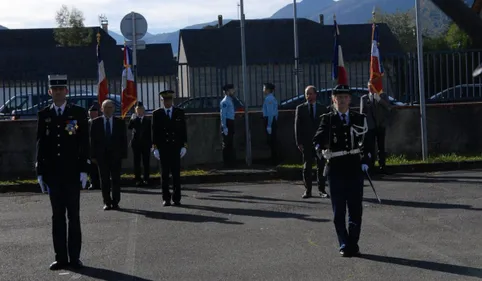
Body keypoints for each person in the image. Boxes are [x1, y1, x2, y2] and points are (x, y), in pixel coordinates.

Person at [35, 74, 89, 270]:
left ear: (66, 91)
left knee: (73, 216)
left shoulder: (78, 113)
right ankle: (61, 257)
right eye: (54, 90)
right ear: (50, 92)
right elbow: (40, 143)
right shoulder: (44, 115)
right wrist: (40, 171)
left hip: (72, 173)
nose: (58, 92)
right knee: (57, 217)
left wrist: (84, 169)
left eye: (61, 89)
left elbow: (84, 143)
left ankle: (75, 257)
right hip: (53, 174)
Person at [312, 84, 370, 257]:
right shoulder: (328, 119)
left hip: (354, 168)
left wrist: (366, 160)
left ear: (350, 100)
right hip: (336, 169)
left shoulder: (359, 118)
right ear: (333, 99)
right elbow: (317, 140)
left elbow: (367, 142)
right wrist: (321, 151)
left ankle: (353, 242)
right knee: (339, 211)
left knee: (355, 209)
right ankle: (343, 243)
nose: (342, 100)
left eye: (345, 97)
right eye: (339, 97)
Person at [151, 90, 188, 206]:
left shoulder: (179, 112)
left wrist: (184, 146)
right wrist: (155, 147)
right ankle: (166, 198)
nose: (167, 102)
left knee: (176, 174)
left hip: (176, 147)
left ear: (172, 100)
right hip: (163, 148)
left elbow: (183, 130)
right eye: (165, 100)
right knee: (165, 175)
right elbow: (154, 132)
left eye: (169, 100)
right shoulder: (157, 114)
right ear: (162, 101)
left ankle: (177, 198)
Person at [90, 99, 128, 211]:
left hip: (116, 156)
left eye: (110, 107)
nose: (108, 110)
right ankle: (107, 202)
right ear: (101, 109)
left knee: (116, 179)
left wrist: (123, 154)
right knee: (104, 180)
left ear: (114, 109)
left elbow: (123, 140)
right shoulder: (95, 122)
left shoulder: (119, 122)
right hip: (101, 157)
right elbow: (92, 141)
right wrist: (92, 156)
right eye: (105, 107)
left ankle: (115, 202)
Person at [294, 85, 329, 199]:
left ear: (315, 94)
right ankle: (308, 190)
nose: (308, 96)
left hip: (320, 143)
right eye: (306, 94)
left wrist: (326, 142)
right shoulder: (301, 108)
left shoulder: (322, 108)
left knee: (321, 166)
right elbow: (297, 127)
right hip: (307, 142)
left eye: (310, 93)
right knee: (307, 167)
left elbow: (326, 127)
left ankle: (322, 189)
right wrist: (299, 142)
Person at [360, 82, 392, 173]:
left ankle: (382, 165)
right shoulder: (364, 98)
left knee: (381, 146)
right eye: (370, 87)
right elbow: (362, 113)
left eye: (373, 86)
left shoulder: (383, 96)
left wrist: (379, 100)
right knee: (370, 147)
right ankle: (371, 165)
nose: (372, 89)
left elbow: (388, 108)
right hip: (370, 126)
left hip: (380, 125)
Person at [128, 101, 152, 186]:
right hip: (136, 144)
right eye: (137, 109)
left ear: (143, 110)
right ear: (135, 110)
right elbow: (129, 127)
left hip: (145, 144)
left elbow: (149, 133)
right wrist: (131, 119)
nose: (139, 111)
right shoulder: (134, 119)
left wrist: (151, 144)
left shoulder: (147, 120)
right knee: (136, 162)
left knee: (146, 162)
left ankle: (146, 178)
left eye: (141, 109)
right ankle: (137, 179)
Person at [220, 84, 236, 167]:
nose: (234, 91)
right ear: (227, 91)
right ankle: (226, 163)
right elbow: (223, 115)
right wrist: (224, 126)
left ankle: (230, 162)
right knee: (226, 143)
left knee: (230, 143)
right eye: (232, 90)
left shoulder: (230, 100)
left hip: (231, 122)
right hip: (227, 123)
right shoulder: (225, 101)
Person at [262, 82, 279, 165]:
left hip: (270, 121)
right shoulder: (272, 98)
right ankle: (274, 158)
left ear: (268, 90)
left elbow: (270, 113)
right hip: (272, 121)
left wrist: (269, 125)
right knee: (272, 141)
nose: (263, 90)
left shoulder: (269, 99)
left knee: (272, 141)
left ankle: (274, 159)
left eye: (264, 88)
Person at [87, 104, 100, 190]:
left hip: (99, 148)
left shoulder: (101, 121)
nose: (92, 114)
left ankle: (101, 183)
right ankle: (93, 183)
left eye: (94, 113)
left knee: (100, 167)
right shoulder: (86, 122)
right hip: (89, 147)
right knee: (91, 167)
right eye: (91, 113)